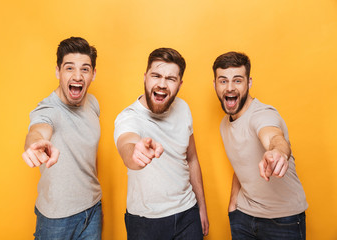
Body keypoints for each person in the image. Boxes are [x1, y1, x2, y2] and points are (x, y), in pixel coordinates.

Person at [114, 48, 209, 239]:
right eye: (156, 75)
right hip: (146, 222)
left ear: (179, 84)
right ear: (145, 77)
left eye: (171, 79)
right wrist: (135, 152)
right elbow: (127, 143)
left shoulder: (183, 108)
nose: (162, 84)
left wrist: (202, 207)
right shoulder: (128, 117)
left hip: (188, 214)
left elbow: (191, 159)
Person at [212, 51, 308, 240]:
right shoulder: (225, 123)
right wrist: (233, 205)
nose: (230, 88)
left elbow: (273, 136)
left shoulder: (262, 114)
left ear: (249, 83)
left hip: (283, 219)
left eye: (237, 80)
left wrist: (278, 152)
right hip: (243, 217)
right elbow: (242, 162)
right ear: (214, 85)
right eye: (223, 81)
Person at [22, 37, 102, 240]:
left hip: (92, 209)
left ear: (93, 74)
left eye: (85, 69)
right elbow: (38, 129)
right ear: (58, 71)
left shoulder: (92, 103)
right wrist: (35, 144)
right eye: (69, 68)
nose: (77, 76)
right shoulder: (48, 109)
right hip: (56, 218)